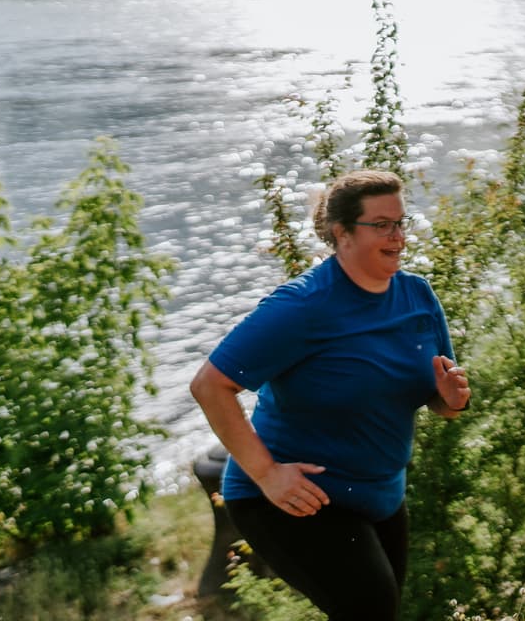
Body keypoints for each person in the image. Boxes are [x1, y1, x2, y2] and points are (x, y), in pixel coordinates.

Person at [190, 169, 472, 619]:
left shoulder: (417, 297)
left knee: (378, 611)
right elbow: (210, 385)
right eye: (381, 225)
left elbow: (441, 402)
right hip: (292, 497)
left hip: (380, 493)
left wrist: (451, 399)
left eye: (402, 222)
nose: (398, 236)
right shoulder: (302, 306)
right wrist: (266, 474)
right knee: (371, 609)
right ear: (342, 233)